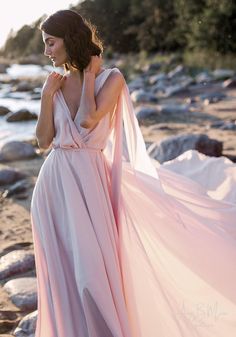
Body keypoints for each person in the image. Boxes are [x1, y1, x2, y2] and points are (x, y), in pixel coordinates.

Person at [30, 9, 236, 337]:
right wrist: (45, 96)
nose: (46, 51)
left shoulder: (111, 78)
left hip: (90, 183)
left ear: (70, 40)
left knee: (92, 276)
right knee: (63, 277)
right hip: (53, 187)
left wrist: (88, 73)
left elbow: (87, 119)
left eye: (50, 43)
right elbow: (43, 141)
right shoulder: (54, 84)